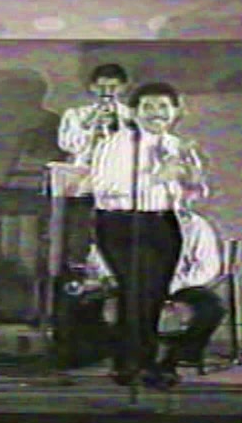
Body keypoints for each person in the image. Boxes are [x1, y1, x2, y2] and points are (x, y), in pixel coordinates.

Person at [88, 81, 208, 389]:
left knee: (154, 294)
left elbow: (194, 194)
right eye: (148, 107)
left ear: (176, 111)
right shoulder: (117, 144)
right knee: (135, 293)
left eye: (163, 107)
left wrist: (192, 179)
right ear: (134, 112)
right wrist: (157, 177)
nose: (157, 113)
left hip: (162, 221)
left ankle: (146, 362)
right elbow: (105, 189)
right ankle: (132, 365)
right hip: (122, 222)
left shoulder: (176, 145)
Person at [88, 207, 226, 386]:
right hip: (130, 285)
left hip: (181, 287)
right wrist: (112, 279)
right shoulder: (119, 223)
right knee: (103, 303)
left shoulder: (196, 226)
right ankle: (129, 362)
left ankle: (173, 359)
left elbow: (207, 268)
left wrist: (168, 286)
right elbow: (97, 258)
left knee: (212, 308)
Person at [58, 64, 132, 167]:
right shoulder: (75, 114)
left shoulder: (131, 115)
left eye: (113, 87)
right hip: (85, 168)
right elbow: (67, 145)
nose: (107, 92)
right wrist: (88, 124)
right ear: (92, 87)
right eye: (101, 87)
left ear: (122, 88)